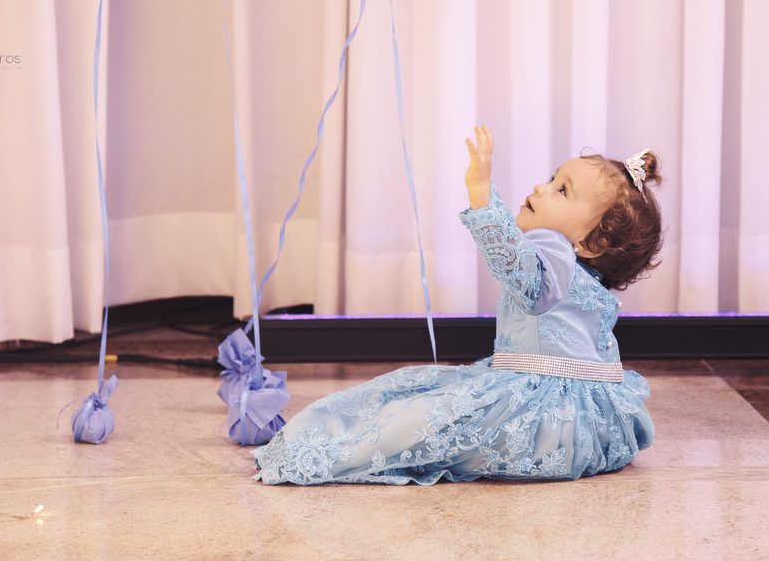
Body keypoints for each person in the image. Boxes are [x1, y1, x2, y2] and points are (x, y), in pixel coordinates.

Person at [251, 126, 661, 485]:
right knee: (429, 402)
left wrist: (481, 194)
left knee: (420, 419)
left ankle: (319, 447)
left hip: (542, 420)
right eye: (553, 178)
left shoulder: (553, 253)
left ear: (593, 243)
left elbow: (517, 266)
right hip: (587, 418)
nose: (542, 188)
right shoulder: (582, 275)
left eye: (562, 190)